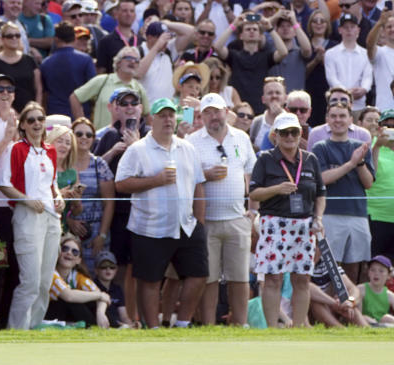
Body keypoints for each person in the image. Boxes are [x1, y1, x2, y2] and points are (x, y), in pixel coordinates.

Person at [114, 98, 207, 329]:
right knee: (150, 280)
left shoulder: (188, 148)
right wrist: (156, 180)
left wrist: (200, 224)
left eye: (171, 115)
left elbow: (198, 186)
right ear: (151, 119)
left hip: (186, 224)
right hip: (150, 226)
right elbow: (121, 184)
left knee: (199, 274)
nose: (168, 119)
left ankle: (183, 323)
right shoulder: (138, 150)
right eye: (162, 115)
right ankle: (153, 328)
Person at [249, 112, 325, 328]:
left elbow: (320, 194)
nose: (289, 137)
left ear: (300, 134)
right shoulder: (265, 159)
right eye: (284, 133)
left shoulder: (310, 159)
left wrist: (318, 218)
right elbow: (254, 194)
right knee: (273, 278)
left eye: (293, 132)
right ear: (276, 135)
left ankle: (298, 327)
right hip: (274, 223)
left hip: (304, 224)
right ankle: (272, 329)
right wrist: (277, 189)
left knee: (301, 279)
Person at [187, 93, 257, 326]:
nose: (213, 116)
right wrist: (206, 175)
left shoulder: (241, 138)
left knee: (240, 278)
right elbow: (186, 179)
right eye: (207, 112)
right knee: (209, 279)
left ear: (227, 112)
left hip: (238, 218)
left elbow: (252, 174)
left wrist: (253, 210)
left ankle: (240, 324)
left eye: (217, 111)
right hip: (206, 221)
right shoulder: (192, 141)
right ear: (202, 116)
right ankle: (208, 326)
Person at [0, 102, 65, 329]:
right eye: (31, 120)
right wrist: (26, 199)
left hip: (51, 217)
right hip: (28, 215)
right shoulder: (16, 149)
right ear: (23, 125)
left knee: (45, 281)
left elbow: (52, 184)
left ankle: (33, 327)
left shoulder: (50, 151)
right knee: (31, 281)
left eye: (40, 119)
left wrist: (59, 197)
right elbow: (3, 184)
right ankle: (17, 330)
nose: (37, 123)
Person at [312, 103, 374, 283]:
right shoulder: (320, 147)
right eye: (333, 116)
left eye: (342, 116)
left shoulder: (361, 147)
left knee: (355, 267)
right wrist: (351, 164)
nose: (338, 120)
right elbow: (322, 178)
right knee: (329, 265)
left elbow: (368, 183)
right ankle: (331, 307)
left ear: (350, 120)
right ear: (327, 120)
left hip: (358, 214)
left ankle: (348, 307)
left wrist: (360, 163)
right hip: (330, 214)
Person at [214, 11, 289, 114]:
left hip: (260, 106)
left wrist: (270, 28)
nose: (252, 32)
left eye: (255, 29)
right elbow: (217, 47)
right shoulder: (234, 55)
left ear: (260, 36)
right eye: (248, 29)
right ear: (241, 36)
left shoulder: (266, 56)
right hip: (239, 107)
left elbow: (283, 52)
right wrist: (234, 25)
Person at [66, 118, 115, 270]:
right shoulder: (63, 163)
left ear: (94, 139)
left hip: (96, 231)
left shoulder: (99, 165)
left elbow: (109, 203)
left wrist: (102, 235)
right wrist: (69, 222)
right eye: (79, 134)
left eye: (89, 135)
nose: (84, 138)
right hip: (69, 232)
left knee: (96, 276)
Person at [367, 109, 394, 261]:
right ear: (380, 127)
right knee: (373, 266)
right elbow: (370, 174)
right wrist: (377, 146)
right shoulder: (371, 146)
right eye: (387, 125)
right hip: (378, 219)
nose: (391, 129)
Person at [70, 46, 148, 130]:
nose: (133, 62)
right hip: (101, 139)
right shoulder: (102, 81)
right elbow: (75, 97)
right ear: (118, 62)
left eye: (136, 60)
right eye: (128, 58)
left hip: (128, 139)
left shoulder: (138, 88)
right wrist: (83, 125)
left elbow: (147, 115)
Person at [46, 234, 111, 328]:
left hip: (65, 316)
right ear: (58, 252)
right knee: (75, 302)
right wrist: (100, 295)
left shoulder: (77, 276)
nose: (69, 253)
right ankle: (95, 327)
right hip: (47, 314)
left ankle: (117, 326)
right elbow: (69, 296)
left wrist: (100, 314)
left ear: (78, 260)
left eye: (74, 252)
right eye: (65, 249)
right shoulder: (51, 273)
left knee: (93, 303)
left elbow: (103, 299)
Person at [0, 21, 42, 111]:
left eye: (17, 35)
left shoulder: (30, 60)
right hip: (5, 112)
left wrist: (36, 109)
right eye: (10, 36)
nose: (14, 38)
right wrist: (12, 112)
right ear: (2, 39)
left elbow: (39, 89)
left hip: (30, 113)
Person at [355, 255, 394, 327]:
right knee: (364, 318)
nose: (376, 273)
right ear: (368, 272)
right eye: (372, 270)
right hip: (366, 323)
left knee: (387, 318)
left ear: (388, 275)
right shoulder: (361, 289)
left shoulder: (389, 295)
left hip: (384, 324)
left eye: (381, 271)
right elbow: (357, 314)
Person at [92, 251, 135, 328]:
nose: (108, 270)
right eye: (103, 267)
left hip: (118, 324)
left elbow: (123, 315)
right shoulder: (91, 286)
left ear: (116, 270)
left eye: (112, 267)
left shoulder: (117, 289)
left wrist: (130, 324)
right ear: (96, 270)